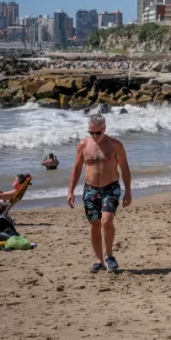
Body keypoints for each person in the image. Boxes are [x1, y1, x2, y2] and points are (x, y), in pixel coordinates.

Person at [68, 114, 132, 273]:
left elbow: (124, 168)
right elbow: (76, 169)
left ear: (105, 129)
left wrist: (128, 191)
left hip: (111, 187)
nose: (95, 136)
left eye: (98, 132)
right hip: (90, 189)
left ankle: (109, 256)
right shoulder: (83, 145)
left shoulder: (115, 145)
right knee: (95, 225)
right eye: (91, 132)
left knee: (107, 220)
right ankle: (99, 260)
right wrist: (70, 191)